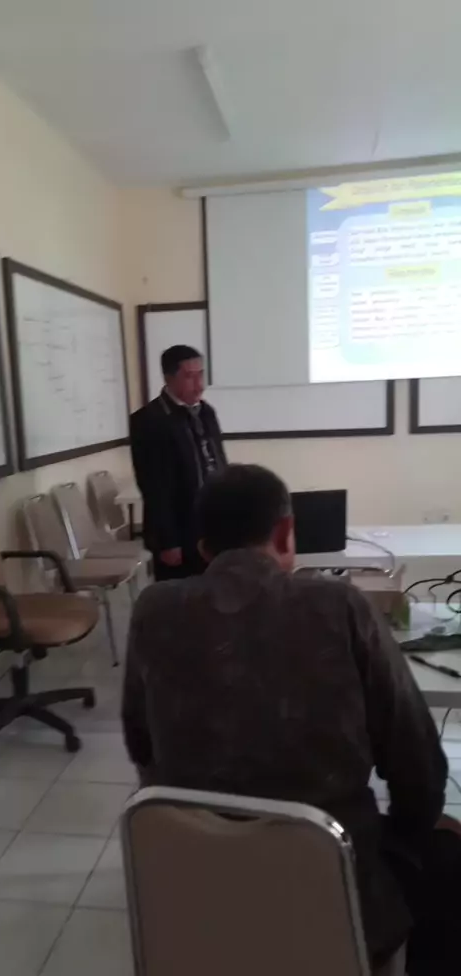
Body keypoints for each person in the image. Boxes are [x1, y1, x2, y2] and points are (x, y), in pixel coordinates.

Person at [122, 463, 461, 975]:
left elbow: (141, 744)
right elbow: (417, 761)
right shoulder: (339, 604)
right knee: (445, 845)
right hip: (334, 892)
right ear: (284, 532)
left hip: (200, 889)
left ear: (204, 548)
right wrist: (405, 833)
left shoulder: (153, 609)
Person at [130, 344, 226, 580]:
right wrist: (168, 541)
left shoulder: (206, 412)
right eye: (189, 376)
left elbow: (218, 461)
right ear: (168, 378)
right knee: (180, 595)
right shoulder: (149, 420)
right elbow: (153, 487)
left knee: (214, 590)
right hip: (179, 531)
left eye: (201, 374)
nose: (199, 384)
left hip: (212, 523)